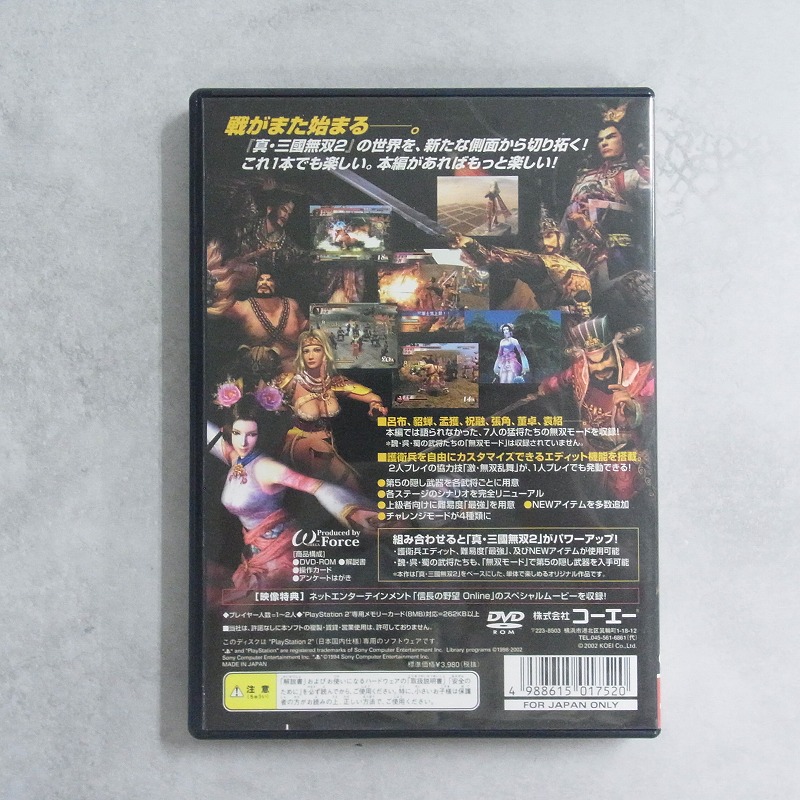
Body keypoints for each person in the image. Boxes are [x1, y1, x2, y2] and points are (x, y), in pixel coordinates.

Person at [207, 394, 378, 592]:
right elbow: (210, 435)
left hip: (281, 556)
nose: (243, 442)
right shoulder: (236, 459)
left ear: (260, 434)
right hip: (257, 552)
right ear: (228, 431)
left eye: (251, 434)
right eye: (237, 433)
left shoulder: (267, 468)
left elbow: (316, 487)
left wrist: (350, 511)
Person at [532, 316, 654, 500]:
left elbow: (651, 409)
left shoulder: (641, 376)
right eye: (593, 362)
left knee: (623, 492)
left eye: (605, 358)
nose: (600, 368)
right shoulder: (581, 369)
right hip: (586, 449)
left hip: (622, 456)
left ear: (616, 351)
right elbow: (562, 378)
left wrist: (634, 408)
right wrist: (545, 387)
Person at [273, 330, 387, 490]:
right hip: (299, 444)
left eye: (316, 350)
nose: (310, 356)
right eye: (306, 351)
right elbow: (261, 398)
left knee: (352, 487)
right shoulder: (290, 382)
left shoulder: (335, 383)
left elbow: (373, 397)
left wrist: (375, 407)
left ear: (325, 353)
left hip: (327, 446)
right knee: (324, 461)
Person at [454, 205, 592, 323]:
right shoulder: (536, 264)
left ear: (558, 235)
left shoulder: (572, 262)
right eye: (539, 238)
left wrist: (586, 226)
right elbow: (496, 259)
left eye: (549, 235)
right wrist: (471, 245)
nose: (545, 243)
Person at [563, 103, 650, 284]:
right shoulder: (584, 177)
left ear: (624, 140)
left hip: (617, 259)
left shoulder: (632, 176)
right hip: (578, 258)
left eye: (611, 137)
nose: (604, 142)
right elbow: (567, 221)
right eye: (600, 139)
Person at [206, 269, 308, 373]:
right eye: (260, 279)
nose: (264, 283)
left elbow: (306, 328)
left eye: (269, 280)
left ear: (277, 284)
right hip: (258, 371)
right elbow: (218, 304)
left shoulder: (292, 304)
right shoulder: (244, 307)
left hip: (294, 369)